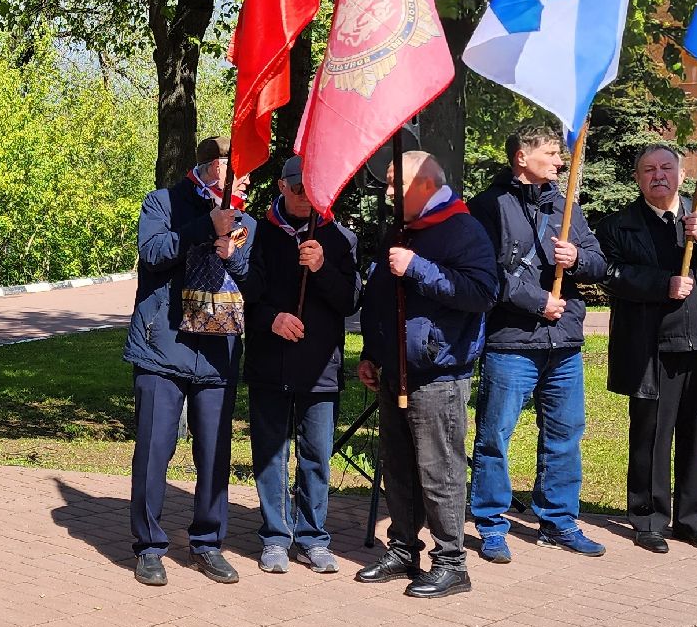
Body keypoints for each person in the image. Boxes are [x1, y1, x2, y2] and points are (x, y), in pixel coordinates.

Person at [353, 150, 498, 599]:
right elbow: (380, 298)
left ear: (427, 185)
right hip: (394, 368)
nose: (388, 193)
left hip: (438, 374)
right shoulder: (401, 230)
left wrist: (418, 268)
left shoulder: (463, 229)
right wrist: (372, 353)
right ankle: (403, 549)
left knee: (440, 470)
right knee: (397, 467)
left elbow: (481, 292)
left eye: (395, 184)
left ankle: (452, 562)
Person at [467, 124, 609, 563]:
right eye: (551, 153)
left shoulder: (566, 207)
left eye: (560, 155)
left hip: (563, 344)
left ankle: (559, 521)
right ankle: (491, 525)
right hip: (511, 343)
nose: (560, 162)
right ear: (522, 157)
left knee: (565, 434)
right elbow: (486, 273)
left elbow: (599, 263)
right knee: (495, 436)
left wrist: (577, 259)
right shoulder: (487, 206)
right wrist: (537, 302)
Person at [598, 144, 697, 554]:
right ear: (637, 179)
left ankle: (693, 521)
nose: (658, 175)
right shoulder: (619, 225)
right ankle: (648, 519)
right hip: (651, 348)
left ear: (682, 176)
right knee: (650, 437)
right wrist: (661, 284)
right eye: (649, 169)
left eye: (666, 167)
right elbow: (609, 273)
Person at [124, 136, 253, 586]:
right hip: (163, 346)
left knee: (214, 453)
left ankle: (207, 543)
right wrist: (205, 226)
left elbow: (252, 280)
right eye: (238, 168)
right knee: (154, 450)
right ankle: (149, 547)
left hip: (218, 352)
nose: (245, 179)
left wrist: (233, 256)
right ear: (215, 167)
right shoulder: (163, 202)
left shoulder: (245, 220)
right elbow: (152, 253)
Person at [242, 155, 360, 575]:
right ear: (281, 185)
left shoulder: (341, 238)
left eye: (312, 190)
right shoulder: (256, 233)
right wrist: (271, 319)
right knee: (270, 454)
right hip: (269, 362)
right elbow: (242, 294)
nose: (304, 198)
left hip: (319, 367)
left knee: (316, 455)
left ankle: (313, 537)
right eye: (296, 189)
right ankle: (275, 536)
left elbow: (350, 300)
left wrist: (323, 268)